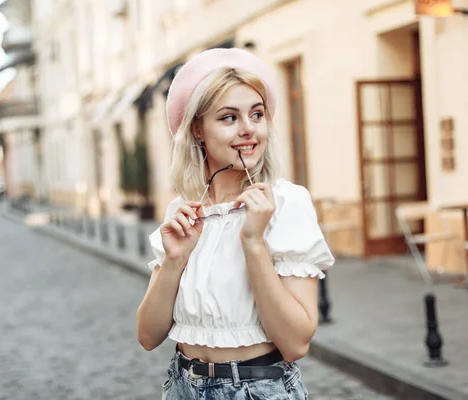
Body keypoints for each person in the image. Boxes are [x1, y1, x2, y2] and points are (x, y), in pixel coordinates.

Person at [137, 48, 335, 399]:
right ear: (198, 130)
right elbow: (148, 336)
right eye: (229, 118)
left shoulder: (285, 204)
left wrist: (254, 241)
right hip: (182, 386)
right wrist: (174, 260)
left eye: (256, 114)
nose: (248, 129)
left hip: (257, 389)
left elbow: (295, 343)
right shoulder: (183, 212)